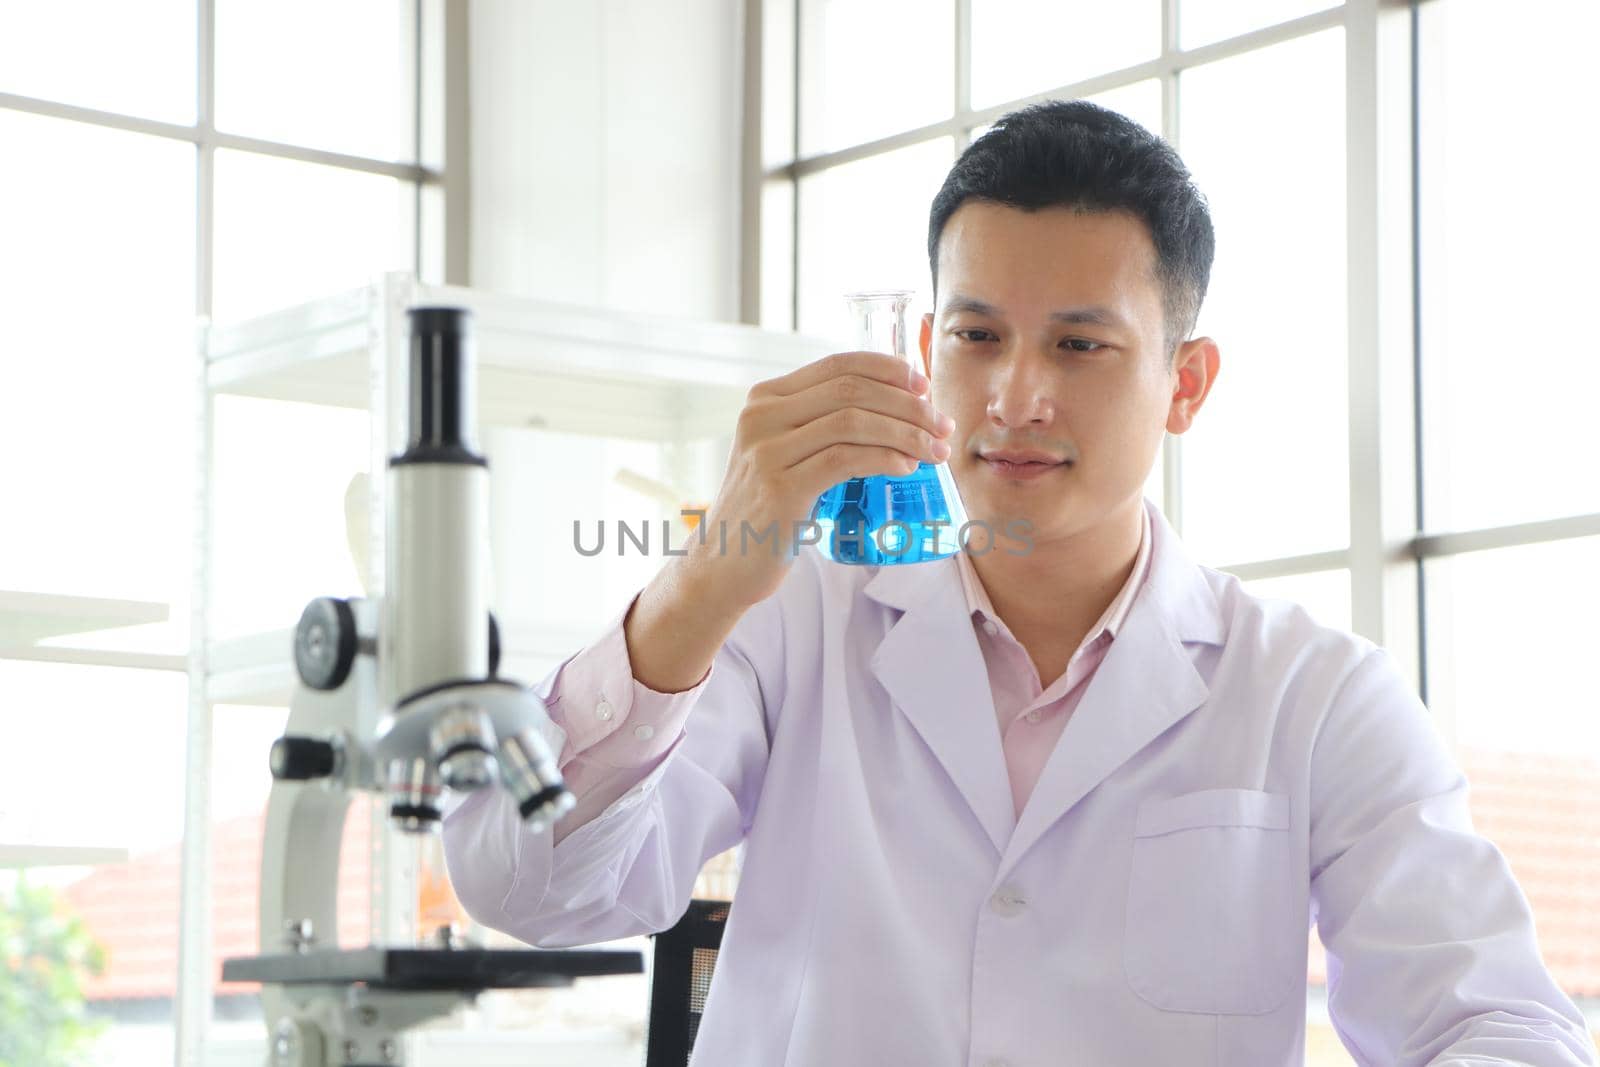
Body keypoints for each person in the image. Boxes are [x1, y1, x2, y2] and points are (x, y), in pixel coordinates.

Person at [442, 101, 1597, 1065]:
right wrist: (698, 590)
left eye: (1080, 344)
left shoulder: (1312, 691)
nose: (1014, 397)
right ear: (925, 348)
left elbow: (1488, 1017)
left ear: (1185, 383)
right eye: (978, 334)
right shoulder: (789, 625)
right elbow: (525, 882)